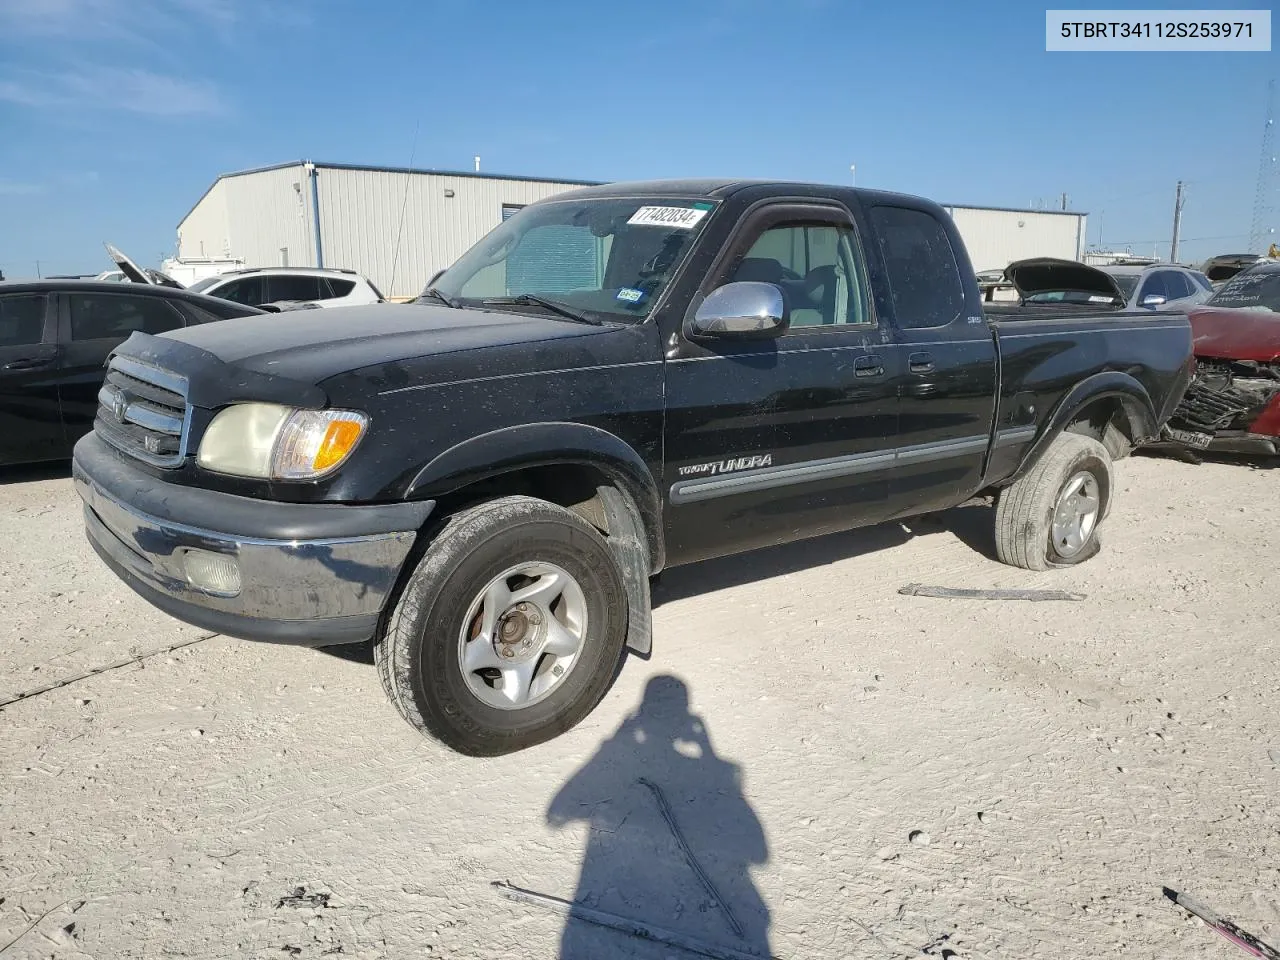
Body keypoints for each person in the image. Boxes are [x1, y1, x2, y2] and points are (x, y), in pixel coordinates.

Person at [547, 675, 771, 958]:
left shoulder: (718, 771)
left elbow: (556, 814)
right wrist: (707, 751)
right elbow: (759, 854)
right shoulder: (721, 770)